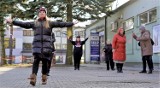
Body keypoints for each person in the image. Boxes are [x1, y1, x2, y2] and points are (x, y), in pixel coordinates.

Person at [6, 6, 76, 86]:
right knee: (36, 61)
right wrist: (12, 21)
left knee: (45, 63)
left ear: (45, 14)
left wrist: (72, 23)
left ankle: (44, 77)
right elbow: (24, 24)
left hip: (46, 47)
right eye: (40, 12)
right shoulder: (35, 23)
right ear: (38, 14)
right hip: (37, 46)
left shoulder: (50, 23)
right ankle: (33, 77)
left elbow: (61, 24)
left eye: (43, 12)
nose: (42, 13)